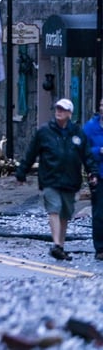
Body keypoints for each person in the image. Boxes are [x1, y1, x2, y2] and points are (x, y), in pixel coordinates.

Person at [16, 98, 97, 261]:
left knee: (65, 214)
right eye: (57, 109)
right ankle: (56, 244)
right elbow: (31, 153)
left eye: (63, 109)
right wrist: (21, 172)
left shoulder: (77, 133)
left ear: (69, 113)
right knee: (54, 208)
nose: (59, 111)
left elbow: (86, 155)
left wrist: (92, 172)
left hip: (70, 180)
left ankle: (60, 245)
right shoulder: (44, 132)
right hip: (50, 178)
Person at [85, 97, 103, 261]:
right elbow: (82, 150)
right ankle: (100, 248)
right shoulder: (90, 128)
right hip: (99, 174)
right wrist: (99, 151)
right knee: (99, 212)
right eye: (102, 104)